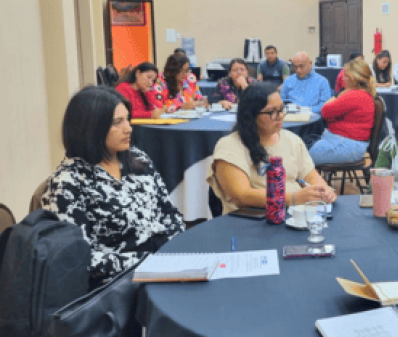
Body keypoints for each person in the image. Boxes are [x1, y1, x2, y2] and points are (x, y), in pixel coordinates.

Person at [41, 86, 185, 289]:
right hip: (119, 286)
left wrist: (177, 250)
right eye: (118, 123)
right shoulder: (67, 184)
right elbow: (80, 259)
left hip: (165, 265)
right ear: (90, 128)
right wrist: (149, 263)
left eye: (128, 119)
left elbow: (169, 211)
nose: (129, 128)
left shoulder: (138, 159)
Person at [207, 82, 337, 214]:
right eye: (271, 112)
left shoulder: (291, 140)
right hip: (253, 219)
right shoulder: (229, 146)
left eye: (281, 109)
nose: (280, 116)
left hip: (294, 214)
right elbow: (242, 195)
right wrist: (293, 198)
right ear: (250, 115)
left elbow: (311, 176)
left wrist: (323, 191)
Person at [309, 59, 376, 165]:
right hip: (349, 144)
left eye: (345, 75)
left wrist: (332, 100)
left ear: (353, 78)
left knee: (304, 159)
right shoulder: (363, 94)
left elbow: (325, 112)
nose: (343, 79)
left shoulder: (353, 95)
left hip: (346, 145)